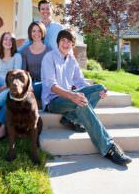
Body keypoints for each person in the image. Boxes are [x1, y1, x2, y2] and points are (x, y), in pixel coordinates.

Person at [41, 29, 132, 166]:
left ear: (72, 45)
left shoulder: (71, 60)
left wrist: (99, 92)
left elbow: (80, 82)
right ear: (58, 42)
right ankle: (109, 148)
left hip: (69, 98)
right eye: (63, 41)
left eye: (69, 42)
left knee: (99, 88)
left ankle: (71, 118)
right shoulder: (49, 58)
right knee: (81, 102)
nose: (65, 44)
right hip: (53, 101)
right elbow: (51, 86)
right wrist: (72, 96)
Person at [0, 21, 51, 141]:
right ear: (30, 33)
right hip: (30, 82)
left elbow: (50, 72)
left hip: (44, 83)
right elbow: (23, 72)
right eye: (33, 31)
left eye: (39, 31)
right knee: (12, 97)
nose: (36, 33)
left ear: (43, 32)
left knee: (14, 97)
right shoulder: (25, 51)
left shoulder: (49, 50)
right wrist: (28, 83)